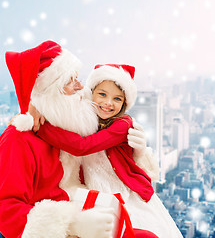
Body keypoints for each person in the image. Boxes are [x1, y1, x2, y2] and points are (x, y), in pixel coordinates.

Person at [0, 40, 157, 238]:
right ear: (51, 89)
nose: (81, 87)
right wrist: (72, 225)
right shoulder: (18, 139)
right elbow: (5, 210)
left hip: (88, 208)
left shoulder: (69, 127)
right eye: (70, 81)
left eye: (78, 78)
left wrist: (139, 154)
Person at [35, 64, 183, 238]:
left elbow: (83, 146)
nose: (108, 103)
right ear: (91, 93)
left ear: (124, 104)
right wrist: (36, 107)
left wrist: (41, 127)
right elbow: (62, 102)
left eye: (117, 99)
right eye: (102, 94)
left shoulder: (122, 125)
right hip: (96, 193)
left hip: (124, 194)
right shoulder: (87, 117)